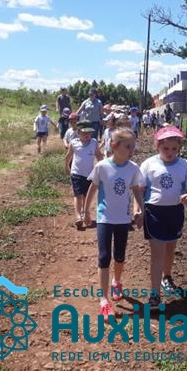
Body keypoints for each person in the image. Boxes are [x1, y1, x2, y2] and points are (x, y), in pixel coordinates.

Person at [82, 128, 144, 319]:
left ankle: (117, 281)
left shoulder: (133, 168)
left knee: (119, 255)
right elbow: (93, 188)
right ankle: (104, 299)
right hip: (105, 218)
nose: (131, 150)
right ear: (114, 145)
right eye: (127, 146)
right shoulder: (102, 167)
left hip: (123, 219)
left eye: (133, 146)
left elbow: (136, 190)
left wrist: (140, 210)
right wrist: (86, 211)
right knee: (104, 257)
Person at [140, 126, 187, 309]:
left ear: (179, 148)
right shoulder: (149, 164)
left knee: (170, 248)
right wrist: (137, 209)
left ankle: (167, 276)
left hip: (175, 212)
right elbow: (140, 189)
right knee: (157, 253)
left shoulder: (185, 165)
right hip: (153, 212)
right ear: (157, 146)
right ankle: (155, 295)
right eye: (165, 148)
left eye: (174, 148)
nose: (170, 152)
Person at [65, 121, 102, 228]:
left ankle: (85, 212)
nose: (87, 135)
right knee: (78, 195)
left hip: (89, 174)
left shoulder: (94, 143)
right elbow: (68, 156)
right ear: (78, 132)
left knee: (86, 195)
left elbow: (99, 156)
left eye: (89, 133)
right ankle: (78, 216)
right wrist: (66, 167)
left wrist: (102, 168)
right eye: (84, 133)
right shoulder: (74, 143)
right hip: (76, 173)